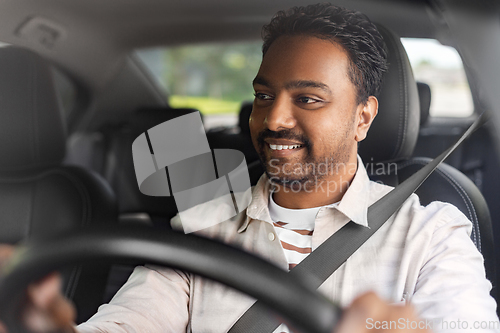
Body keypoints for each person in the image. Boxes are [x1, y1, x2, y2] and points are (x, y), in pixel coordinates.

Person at [0, 3, 498, 333]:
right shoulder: (198, 227)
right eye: (264, 96)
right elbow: (130, 323)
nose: (274, 118)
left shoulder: (433, 233)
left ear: (363, 116)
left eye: (307, 98)